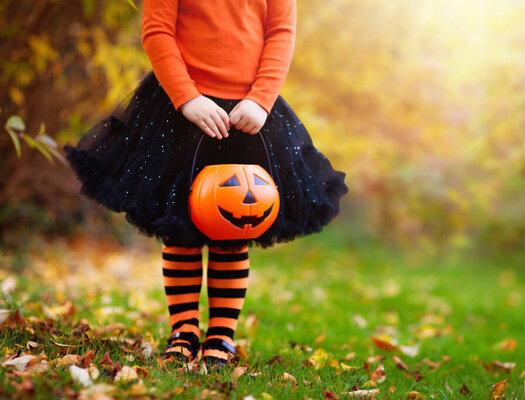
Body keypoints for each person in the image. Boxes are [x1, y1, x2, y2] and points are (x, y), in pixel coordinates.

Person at [63, 0, 348, 367]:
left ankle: (221, 336)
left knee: (234, 227)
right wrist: (187, 98)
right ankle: (184, 331)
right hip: (181, 112)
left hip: (248, 115)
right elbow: (157, 30)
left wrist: (261, 100)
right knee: (180, 231)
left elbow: (280, 32)